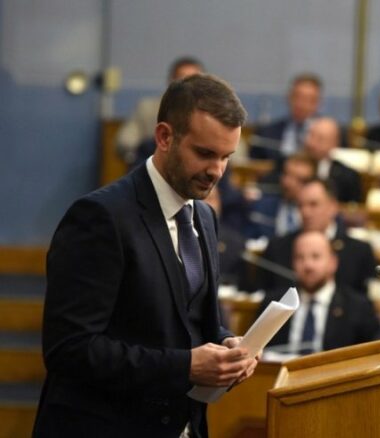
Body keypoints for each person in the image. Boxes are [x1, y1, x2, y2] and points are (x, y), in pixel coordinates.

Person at [34, 74, 258, 438]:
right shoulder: (100, 217)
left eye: (226, 157)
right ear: (165, 137)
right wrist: (185, 367)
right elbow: (69, 349)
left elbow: (185, 323)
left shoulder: (204, 216)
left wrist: (227, 347)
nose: (216, 171)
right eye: (204, 153)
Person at [259, 231, 379, 353]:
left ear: (333, 262)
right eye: (300, 257)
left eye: (315, 256)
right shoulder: (275, 304)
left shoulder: (358, 307)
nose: (308, 265)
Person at [257, 179, 377, 294]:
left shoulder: (359, 251)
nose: (305, 212)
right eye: (300, 205)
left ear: (333, 207)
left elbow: (366, 300)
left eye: (313, 204)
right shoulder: (278, 248)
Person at [117, 56, 204, 166]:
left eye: (193, 81)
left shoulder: (209, 114)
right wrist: (139, 162)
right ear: (171, 81)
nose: (188, 86)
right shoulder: (147, 108)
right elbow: (125, 141)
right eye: (182, 80)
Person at [249, 73, 322, 162]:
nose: (301, 104)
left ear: (318, 102)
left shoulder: (329, 137)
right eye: (298, 97)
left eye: (308, 99)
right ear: (288, 98)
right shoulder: (265, 133)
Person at [247, 152, 316, 239]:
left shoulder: (316, 215)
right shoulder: (260, 207)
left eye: (300, 180)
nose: (289, 183)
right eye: (286, 174)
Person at [303, 117, 362, 203]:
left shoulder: (347, 176)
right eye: (311, 136)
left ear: (334, 143)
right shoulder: (293, 168)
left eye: (320, 139)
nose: (312, 143)